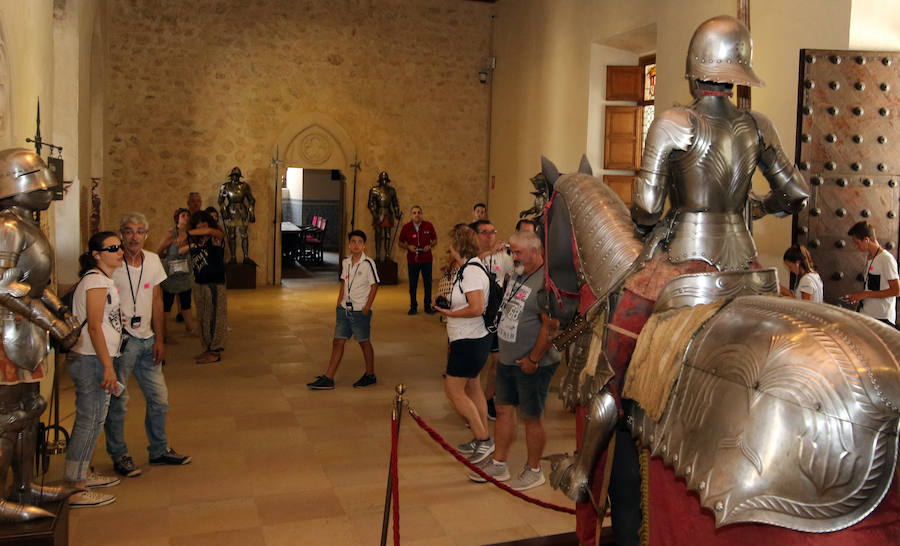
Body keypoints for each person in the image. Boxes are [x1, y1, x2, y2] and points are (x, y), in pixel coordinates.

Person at [469, 231, 559, 490]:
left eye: (518, 252)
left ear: (535, 251)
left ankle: (534, 469)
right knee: (504, 410)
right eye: (513, 251)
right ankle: (499, 464)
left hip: (533, 363)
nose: (514, 256)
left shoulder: (545, 282)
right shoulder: (518, 272)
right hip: (509, 359)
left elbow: (551, 326)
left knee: (531, 416)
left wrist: (533, 358)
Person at [105, 213, 192, 479]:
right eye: (129, 232)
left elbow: (156, 300)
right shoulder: (113, 263)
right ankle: (119, 454)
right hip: (122, 343)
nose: (134, 237)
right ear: (122, 234)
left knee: (159, 399)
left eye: (140, 232)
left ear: (146, 234)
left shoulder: (153, 260)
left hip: (147, 339)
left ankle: (158, 449)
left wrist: (160, 338)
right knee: (119, 402)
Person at [64, 231, 125, 508]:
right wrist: (108, 366)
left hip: (94, 359)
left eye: (119, 246)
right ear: (96, 254)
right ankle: (76, 486)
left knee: (94, 420)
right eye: (112, 248)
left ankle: (83, 472)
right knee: (90, 421)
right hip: (91, 361)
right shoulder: (96, 281)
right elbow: (93, 326)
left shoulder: (102, 280)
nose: (119, 250)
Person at [434, 225, 494, 463]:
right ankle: (483, 436)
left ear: (458, 246)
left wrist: (450, 314)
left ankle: (484, 439)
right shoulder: (468, 268)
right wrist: (447, 303)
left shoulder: (471, 272)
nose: (449, 247)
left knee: (453, 390)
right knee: (472, 387)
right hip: (472, 338)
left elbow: (477, 308)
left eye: (451, 243)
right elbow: (467, 301)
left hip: (469, 340)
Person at [307, 230, 380, 389]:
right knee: (338, 341)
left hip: (360, 310)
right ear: (349, 244)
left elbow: (375, 286)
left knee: (363, 342)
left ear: (364, 245)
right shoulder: (346, 262)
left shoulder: (368, 263)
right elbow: (343, 282)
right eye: (353, 242)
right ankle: (328, 377)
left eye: (360, 242)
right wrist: (339, 301)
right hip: (344, 309)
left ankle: (370, 374)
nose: (356, 245)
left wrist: (367, 306)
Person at [470, 219, 514, 420]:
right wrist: (489, 253)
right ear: (475, 235)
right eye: (484, 232)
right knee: (473, 368)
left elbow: (516, 272)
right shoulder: (469, 255)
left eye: (492, 231)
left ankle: (487, 400)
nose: (490, 236)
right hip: (472, 318)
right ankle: (472, 407)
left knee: (497, 361)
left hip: (495, 317)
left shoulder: (502, 256)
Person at [188, 210, 228, 363]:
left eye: (204, 223)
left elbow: (211, 231)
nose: (202, 226)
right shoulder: (196, 240)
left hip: (215, 283)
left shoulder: (216, 236)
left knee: (215, 317)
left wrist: (188, 232)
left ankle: (215, 350)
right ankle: (207, 347)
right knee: (203, 317)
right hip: (200, 283)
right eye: (198, 224)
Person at [844, 221, 900, 325]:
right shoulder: (870, 257)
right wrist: (859, 297)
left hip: (881, 318)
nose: (856, 246)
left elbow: (896, 291)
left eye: (857, 243)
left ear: (866, 240)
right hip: (868, 315)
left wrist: (864, 294)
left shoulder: (886, 259)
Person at [155, 208, 196, 338]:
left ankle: (190, 328)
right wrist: (169, 257)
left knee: (186, 301)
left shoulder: (191, 234)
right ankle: (164, 333)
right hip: (171, 275)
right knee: (167, 304)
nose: (186, 218)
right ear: (177, 218)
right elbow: (158, 250)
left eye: (188, 215)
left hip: (185, 273)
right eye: (183, 215)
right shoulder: (171, 234)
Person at [398, 205, 438, 315]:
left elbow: (435, 240)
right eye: (414, 213)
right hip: (413, 260)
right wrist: (408, 247)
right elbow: (400, 242)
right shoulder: (406, 227)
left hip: (426, 260)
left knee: (428, 283)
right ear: (411, 215)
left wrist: (430, 246)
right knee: (413, 284)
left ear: (422, 214)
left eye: (419, 212)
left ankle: (427, 306)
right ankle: (413, 306)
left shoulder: (428, 226)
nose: (417, 215)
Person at [218, 167, 256, 264]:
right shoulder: (225, 186)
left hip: (242, 211)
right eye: (234, 176)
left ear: (239, 176)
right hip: (230, 211)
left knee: (244, 235)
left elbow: (251, 200)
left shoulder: (245, 186)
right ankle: (233, 257)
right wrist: (224, 211)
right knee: (231, 236)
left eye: (237, 176)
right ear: (231, 176)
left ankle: (246, 257)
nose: (235, 177)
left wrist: (251, 212)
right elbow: (220, 201)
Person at [367, 171, 402, 262]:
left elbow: (395, 204)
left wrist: (397, 212)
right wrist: (375, 214)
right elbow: (370, 204)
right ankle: (378, 255)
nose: (384, 182)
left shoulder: (391, 190)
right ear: (380, 180)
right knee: (378, 235)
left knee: (387, 235)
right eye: (383, 180)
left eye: (385, 180)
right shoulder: (374, 190)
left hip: (388, 213)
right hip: (379, 212)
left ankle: (387, 255)